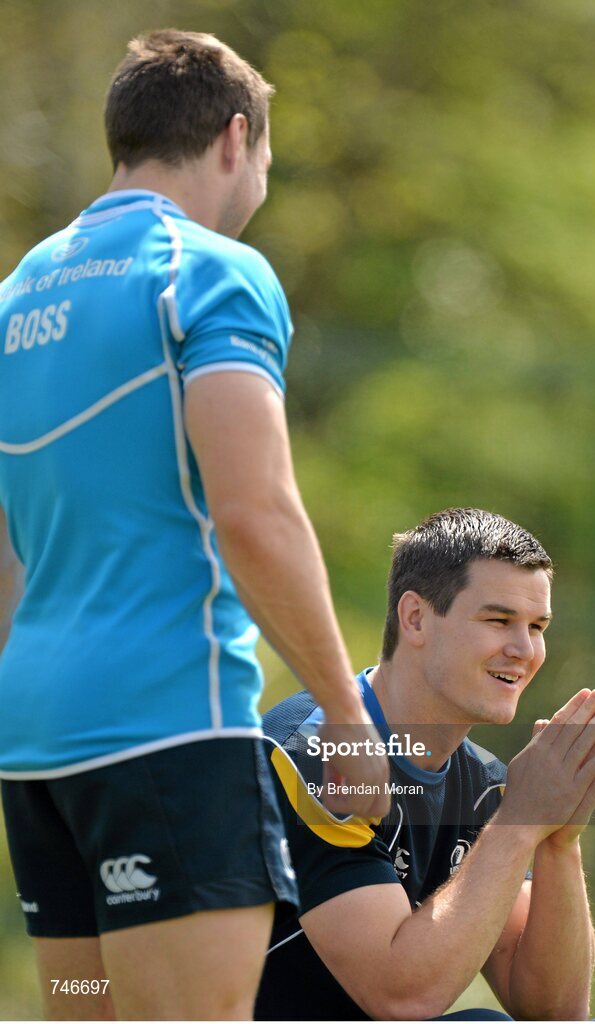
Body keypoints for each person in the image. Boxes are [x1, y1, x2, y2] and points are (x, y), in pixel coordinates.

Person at [0, 29, 389, 1021]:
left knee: (92, 1011)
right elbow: (254, 513)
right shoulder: (210, 270)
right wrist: (348, 720)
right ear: (233, 138)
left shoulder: (15, 297)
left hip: (40, 752)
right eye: (264, 156)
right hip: (167, 734)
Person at [256, 507, 595, 1021]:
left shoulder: (483, 784)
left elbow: (554, 1011)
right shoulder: (318, 754)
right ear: (416, 617)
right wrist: (517, 826)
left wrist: (558, 837)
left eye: (537, 626)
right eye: (498, 620)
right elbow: (400, 997)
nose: (524, 650)